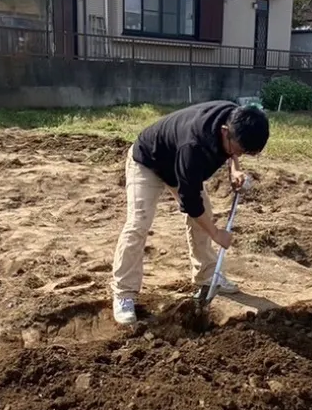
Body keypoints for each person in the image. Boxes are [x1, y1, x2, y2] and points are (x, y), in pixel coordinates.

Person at [112, 101, 271, 325]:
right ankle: (124, 294)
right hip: (148, 162)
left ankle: (206, 275)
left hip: (181, 164)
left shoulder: (234, 116)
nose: (239, 154)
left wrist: (235, 168)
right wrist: (216, 234)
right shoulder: (193, 145)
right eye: (238, 150)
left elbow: (233, 149)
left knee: (203, 217)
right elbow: (191, 202)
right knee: (138, 224)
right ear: (225, 132)